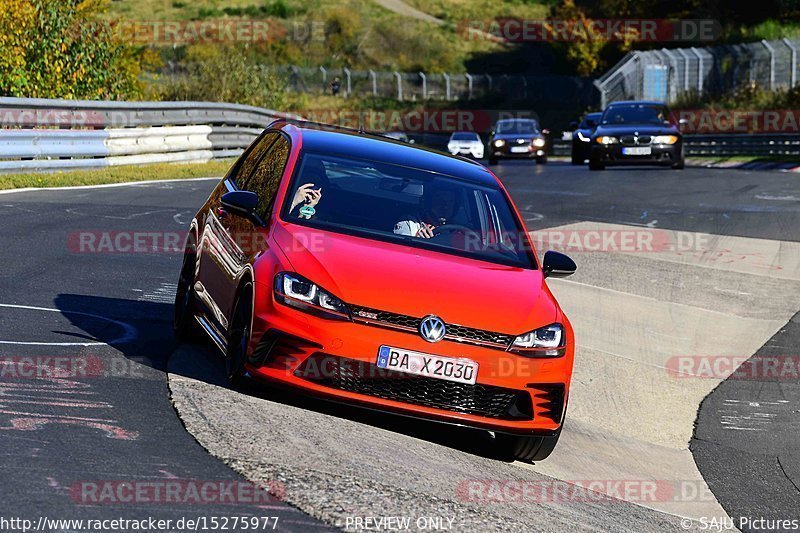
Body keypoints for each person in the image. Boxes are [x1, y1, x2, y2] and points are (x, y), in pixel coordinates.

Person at [393, 185, 460, 239]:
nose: (445, 206)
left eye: (450, 201)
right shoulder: (410, 224)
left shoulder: (459, 231)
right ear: (429, 202)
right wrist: (418, 242)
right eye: (440, 200)